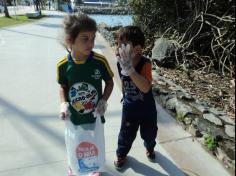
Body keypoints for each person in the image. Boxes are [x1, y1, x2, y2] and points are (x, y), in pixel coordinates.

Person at [57, 13, 114, 176]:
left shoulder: (99, 61)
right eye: (85, 38)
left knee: (94, 143)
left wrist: (103, 100)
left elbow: (110, 82)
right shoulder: (63, 66)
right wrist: (63, 104)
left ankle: (94, 167)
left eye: (93, 38)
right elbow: (63, 87)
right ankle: (73, 165)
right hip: (74, 116)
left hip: (94, 115)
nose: (91, 43)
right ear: (70, 40)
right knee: (75, 142)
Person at [114, 26, 158, 170]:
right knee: (125, 134)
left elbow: (145, 87)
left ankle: (150, 147)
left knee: (149, 133)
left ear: (137, 49)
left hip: (147, 109)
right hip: (129, 108)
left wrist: (130, 70)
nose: (119, 49)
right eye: (117, 45)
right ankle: (121, 154)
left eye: (124, 45)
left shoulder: (145, 64)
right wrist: (123, 92)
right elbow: (123, 80)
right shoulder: (120, 62)